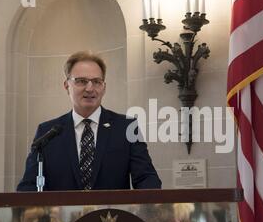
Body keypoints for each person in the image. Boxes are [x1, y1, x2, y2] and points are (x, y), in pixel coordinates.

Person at [17, 51, 161, 191]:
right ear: (67, 86)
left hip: (112, 215)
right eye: (81, 81)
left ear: (104, 87)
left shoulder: (127, 127)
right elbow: (28, 187)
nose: (90, 88)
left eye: (97, 82)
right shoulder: (47, 133)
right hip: (63, 216)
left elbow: (146, 179)